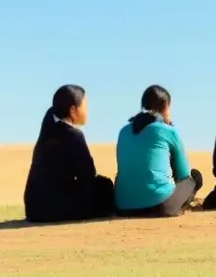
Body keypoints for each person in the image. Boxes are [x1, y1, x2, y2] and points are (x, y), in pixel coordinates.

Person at [23, 84, 115, 223]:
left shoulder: (49, 122)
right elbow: (88, 175)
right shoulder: (74, 136)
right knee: (104, 185)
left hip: (33, 208)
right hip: (54, 209)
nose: (87, 111)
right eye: (84, 106)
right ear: (73, 110)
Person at [114, 85, 203, 218]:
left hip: (123, 207)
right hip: (160, 206)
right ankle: (184, 203)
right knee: (194, 179)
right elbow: (183, 175)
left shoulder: (124, 131)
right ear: (165, 107)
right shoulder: (168, 131)